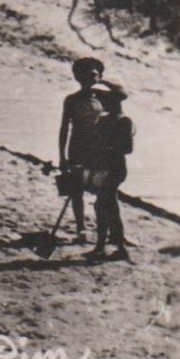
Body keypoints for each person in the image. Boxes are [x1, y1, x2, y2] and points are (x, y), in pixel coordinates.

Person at [56, 56, 107, 243]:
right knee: (76, 191)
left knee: (103, 191)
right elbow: (64, 128)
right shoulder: (71, 100)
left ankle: (105, 230)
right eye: (85, 76)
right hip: (77, 148)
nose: (91, 80)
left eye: (94, 75)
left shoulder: (106, 99)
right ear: (78, 78)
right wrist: (61, 156)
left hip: (99, 149)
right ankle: (81, 228)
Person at [83, 82, 134, 262]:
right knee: (103, 205)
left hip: (114, 169)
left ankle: (114, 247)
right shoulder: (103, 120)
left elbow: (127, 148)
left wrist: (106, 147)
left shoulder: (124, 121)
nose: (102, 103)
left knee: (107, 205)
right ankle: (105, 246)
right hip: (101, 167)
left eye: (105, 100)